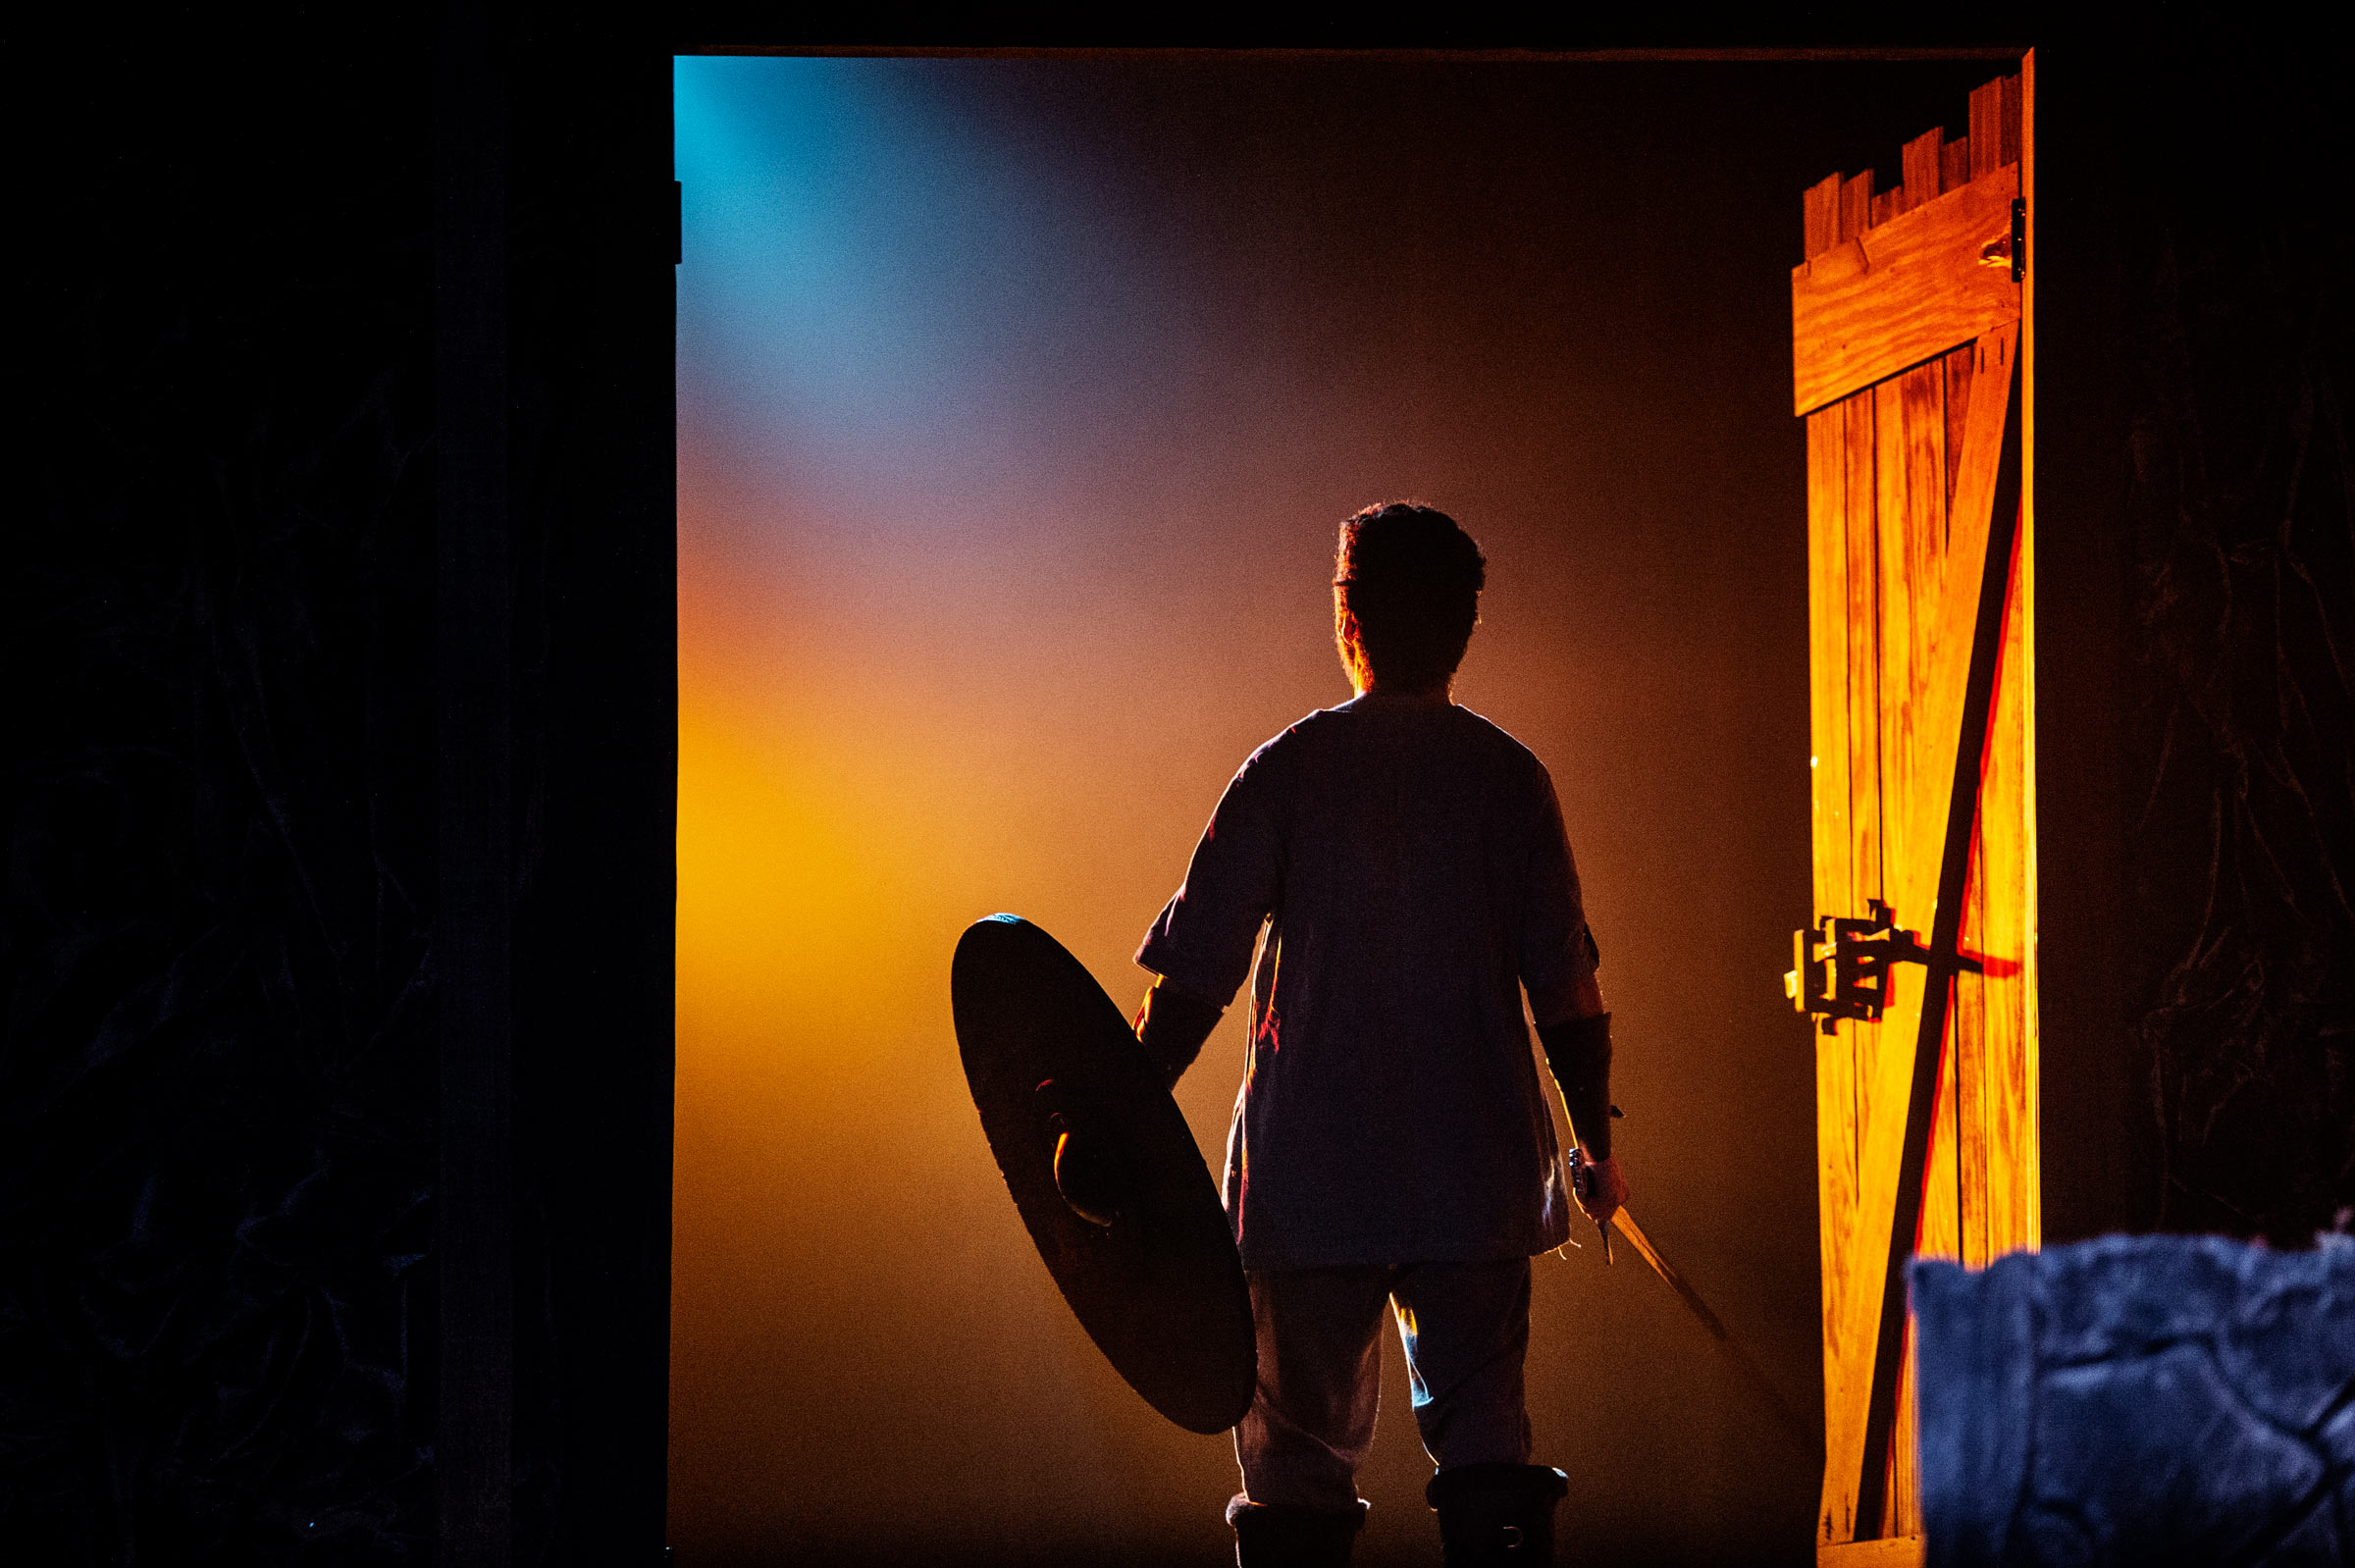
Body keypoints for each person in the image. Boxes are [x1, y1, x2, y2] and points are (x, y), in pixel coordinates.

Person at [1129, 500, 1628, 1567]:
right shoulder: (1510, 779)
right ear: (1464, 626)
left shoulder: (1288, 769)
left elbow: (1195, 973)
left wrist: (1121, 1115)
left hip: (1307, 1181)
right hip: (1476, 1178)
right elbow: (1569, 991)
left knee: (1294, 1479)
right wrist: (1594, 1143)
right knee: (1490, 1461)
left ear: (1346, 612)